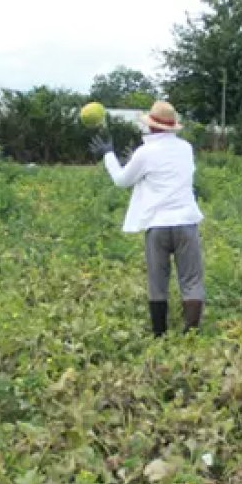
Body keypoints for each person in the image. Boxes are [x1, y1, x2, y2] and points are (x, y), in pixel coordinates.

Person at [89, 101, 205, 337]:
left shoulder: (145, 153)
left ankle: (159, 335)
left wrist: (108, 154)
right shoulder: (186, 148)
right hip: (185, 222)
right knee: (191, 280)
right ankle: (191, 335)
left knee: (157, 280)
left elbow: (122, 180)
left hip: (157, 225)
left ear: (151, 127)